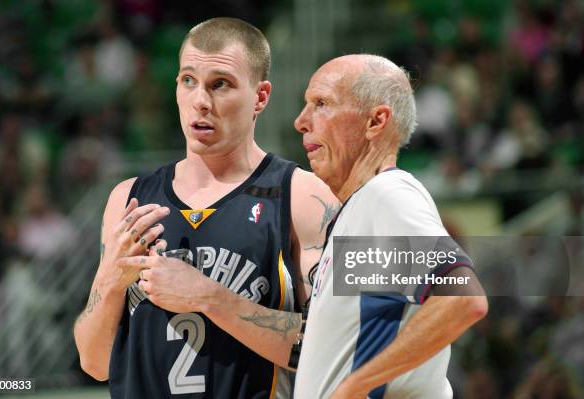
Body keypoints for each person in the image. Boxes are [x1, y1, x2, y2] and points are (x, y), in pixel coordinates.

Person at [73, 18, 339, 399]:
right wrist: (111, 281)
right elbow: (93, 362)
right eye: (188, 81)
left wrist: (208, 297)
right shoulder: (128, 198)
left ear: (260, 97)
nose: (200, 101)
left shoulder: (303, 196)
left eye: (221, 84)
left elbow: (328, 348)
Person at [292, 54, 488, 399]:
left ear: (375, 121)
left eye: (321, 104)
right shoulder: (361, 209)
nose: (301, 121)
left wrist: (354, 387)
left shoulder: (388, 194)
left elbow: (462, 299)